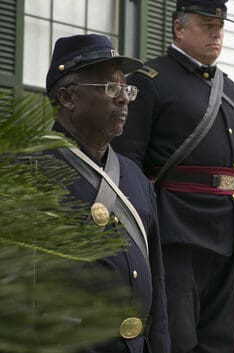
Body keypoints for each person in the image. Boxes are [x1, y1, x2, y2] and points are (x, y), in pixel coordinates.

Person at [112, 0, 234, 353]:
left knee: (219, 339)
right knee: (177, 336)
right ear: (179, 28)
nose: (216, 34)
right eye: (207, 25)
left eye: (220, 27)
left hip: (227, 231)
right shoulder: (148, 81)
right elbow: (127, 163)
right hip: (176, 228)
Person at [44, 33, 169, 353]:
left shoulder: (136, 178)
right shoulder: (31, 170)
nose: (124, 98)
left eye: (126, 88)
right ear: (68, 98)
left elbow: (157, 284)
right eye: (110, 88)